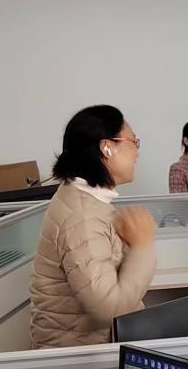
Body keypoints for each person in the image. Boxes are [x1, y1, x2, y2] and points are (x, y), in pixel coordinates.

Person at [30, 105, 157, 348]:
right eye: (133, 142)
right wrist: (142, 247)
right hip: (77, 360)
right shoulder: (82, 217)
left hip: (89, 350)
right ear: (106, 147)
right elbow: (110, 308)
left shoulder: (87, 201)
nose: (137, 153)